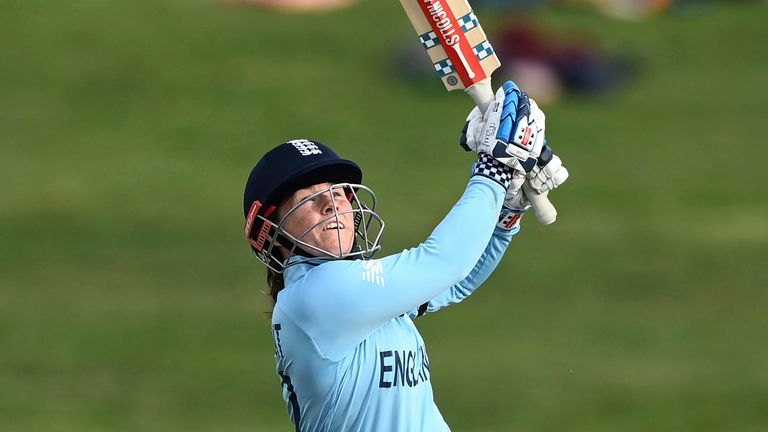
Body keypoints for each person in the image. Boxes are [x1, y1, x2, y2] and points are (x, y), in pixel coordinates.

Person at [242, 81, 568, 431]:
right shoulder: (314, 297)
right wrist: (495, 170)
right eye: (306, 196)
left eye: (338, 191)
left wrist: (505, 212)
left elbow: (452, 282)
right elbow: (443, 262)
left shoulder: (356, 293)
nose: (331, 203)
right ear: (270, 232)